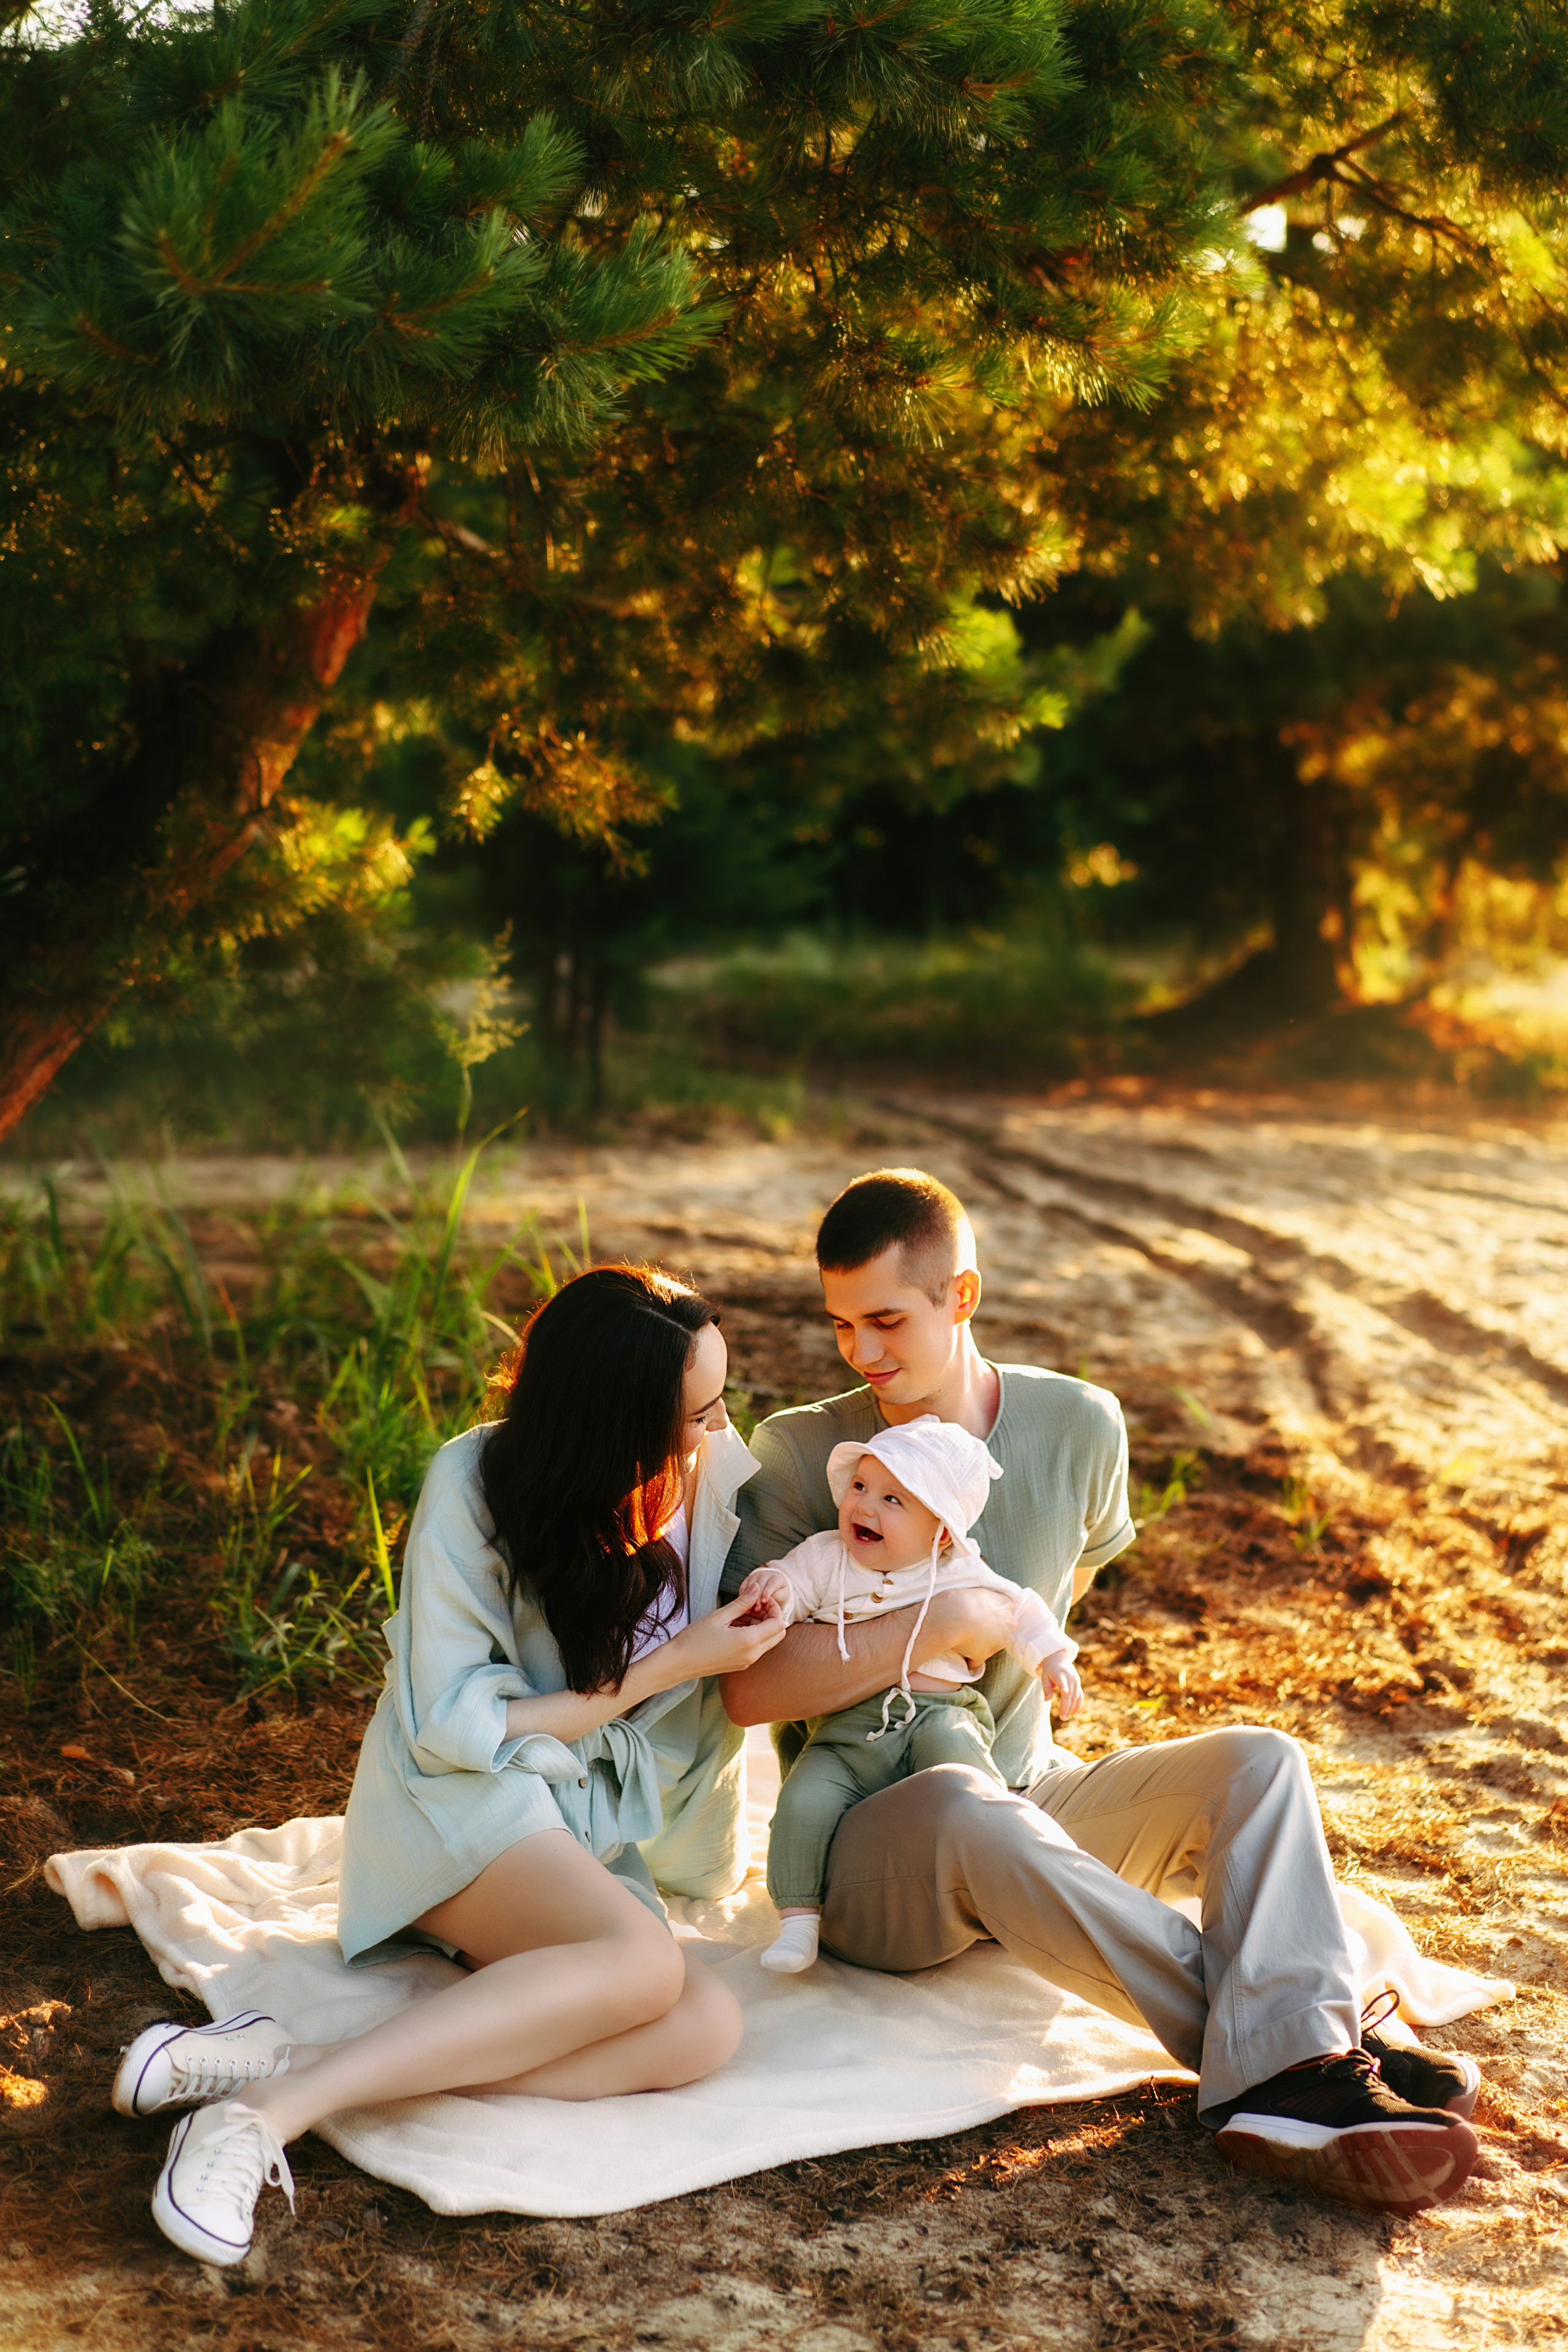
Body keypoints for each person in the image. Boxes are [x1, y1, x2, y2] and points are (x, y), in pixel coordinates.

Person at [720, 1169, 1483, 2214]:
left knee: (1261, 1762)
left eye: (887, 1319)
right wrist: (935, 1624)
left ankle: (1302, 2050)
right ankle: (1311, 2051)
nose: (863, 1353)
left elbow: (1059, 1607)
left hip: (1033, 1795)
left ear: (963, 1297)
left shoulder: (1081, 1426)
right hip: (872, 1844)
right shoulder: (810, 1450)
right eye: (842, 1324)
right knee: (962, 1803)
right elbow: (749, 1690)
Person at [111, 1264, 786, 2266]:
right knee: (644, 1965)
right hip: (462, 1791)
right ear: (608, 1421)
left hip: (581, 1819)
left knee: (703, 2026)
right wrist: (674, 1665)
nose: (715, 1432)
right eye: (691, 1413)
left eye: (720, 1401)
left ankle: (294, 2061)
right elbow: (456, 1721)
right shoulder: (474, 1482)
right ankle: (259, 2118)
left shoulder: (718, 1479)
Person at [732, 1414, 1080, 1973]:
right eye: (861, 1487)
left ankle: (998, 1878)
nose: (864, 1506)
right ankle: (799, 1919)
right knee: (803, 1800)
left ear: (940, 1532)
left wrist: (1055, 1658)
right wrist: (773, 1589)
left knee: (966, 1784)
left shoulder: (959, 1571)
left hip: (938, 1715)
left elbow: (1019, 1612)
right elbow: (791, 1589)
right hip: (845, 1732)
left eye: (894, 1500)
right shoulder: (826, 1557)